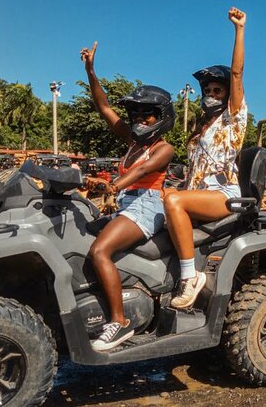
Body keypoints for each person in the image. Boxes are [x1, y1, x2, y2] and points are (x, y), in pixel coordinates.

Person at [80, 42, 175, 351]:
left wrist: (115, 185)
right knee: (80, 234)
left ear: (160, 117)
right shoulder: (132, 140)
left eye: (147, 115)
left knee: (100, 251)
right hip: (127, 203)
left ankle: (119, 322)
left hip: (148, 205)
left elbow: (143, 170)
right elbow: (104, 108)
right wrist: (91, 72)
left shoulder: (163, 148)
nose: (140, 120)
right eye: (136, 114)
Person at [164, 7, 247, 309]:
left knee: (174, 200)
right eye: (208, 89)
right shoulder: (199, 129)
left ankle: (191, 277)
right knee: (162, 201)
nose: (211, 93)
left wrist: (239, 30)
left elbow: (236, 74)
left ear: (226, 95)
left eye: (217, 89)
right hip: (196, 193)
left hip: (223, 195)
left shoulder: (232, 119)